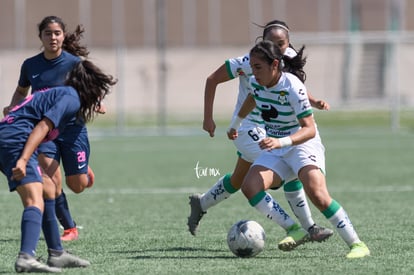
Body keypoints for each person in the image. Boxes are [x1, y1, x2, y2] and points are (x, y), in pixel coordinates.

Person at [188, 20, 332, 251]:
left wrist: (313, 101)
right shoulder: (248, 62)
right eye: (272, 42)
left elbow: (294, 88)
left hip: (273, 128)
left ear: (288, 43)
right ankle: (306, 228)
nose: (279, 47)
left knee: (238, 180)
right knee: (288, 166)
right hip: (248, 128)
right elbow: (212, 79)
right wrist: (208, 118)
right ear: (262, 43)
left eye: (282, 43)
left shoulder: (288, 57)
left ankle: (201, 202)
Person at [227, 40, 370, 259]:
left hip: (302, 145)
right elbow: (252, 99)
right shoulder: (257, 83)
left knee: (318, 194)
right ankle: (295, 229)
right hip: (278, 147)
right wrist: (235, 125)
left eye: (258, 67)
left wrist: (280, 142)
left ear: (275, 64)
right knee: (250, 186)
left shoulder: (292, 86)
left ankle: (357, 244)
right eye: (252, 68)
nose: (253, 73)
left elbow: (310, 129)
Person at [0, 59, 117, 272]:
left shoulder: (66, 96)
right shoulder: (71, 98)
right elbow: (43, 127)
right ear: (89, 85)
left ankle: (56, 253)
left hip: (9, 134)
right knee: (34, 198)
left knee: (49, 188)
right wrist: (24, 160)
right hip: (14, 139)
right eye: (98, 89)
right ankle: (26, 256)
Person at [3, 15, 101, 241]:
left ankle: (83, 170)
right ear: (41, 37)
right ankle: (69, 228)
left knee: (77, 186)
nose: (53, 37)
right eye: (48, 33)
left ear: (63, 36)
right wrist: (14, 106)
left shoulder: (74, 63)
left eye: (57, 33)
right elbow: (21, 91)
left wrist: (96, 102)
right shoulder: (30, 65)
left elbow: (90, 90)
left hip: (73, 130)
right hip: (45, 132)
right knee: (50, 180)